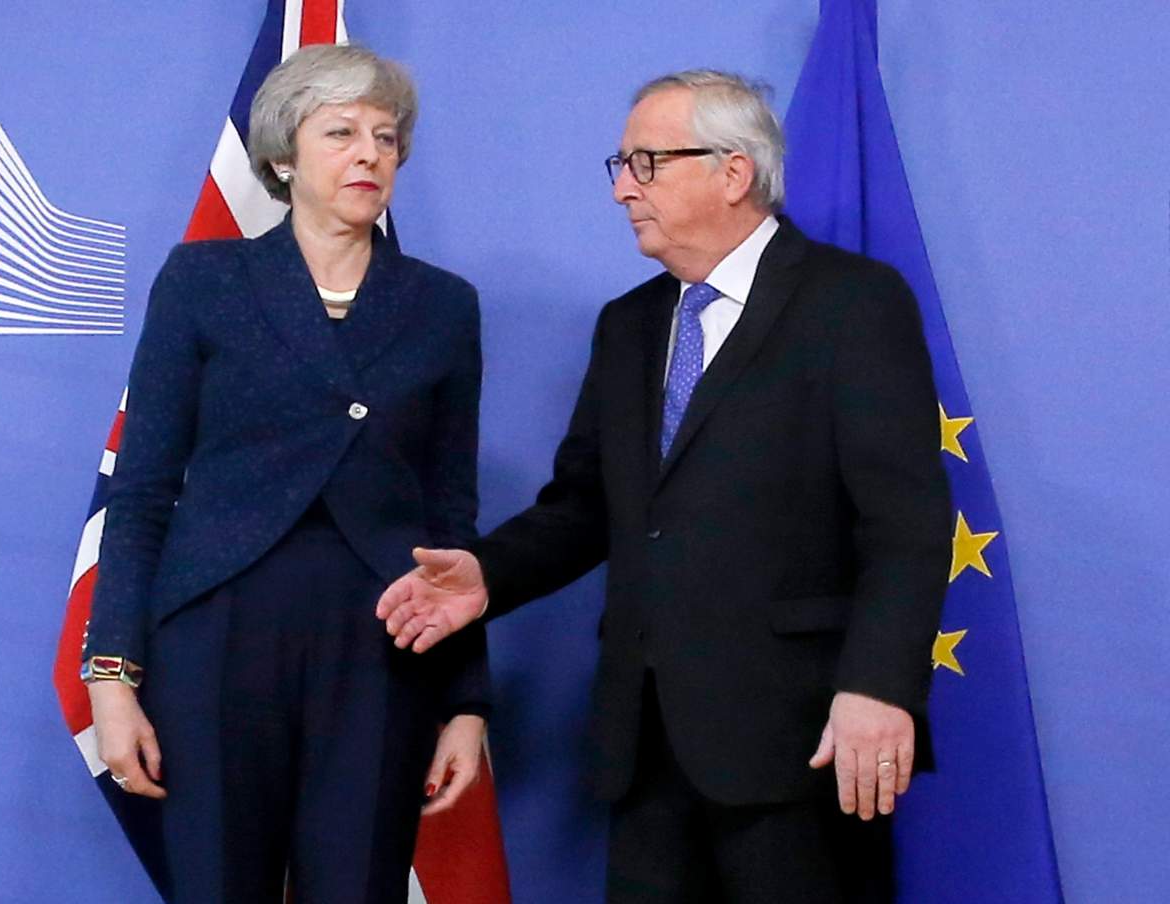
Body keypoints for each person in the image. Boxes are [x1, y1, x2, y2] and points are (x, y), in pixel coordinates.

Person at [376, 70, 952, 903]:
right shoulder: (631, 325)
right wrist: (488, 577)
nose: (621, 190)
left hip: (803, 744)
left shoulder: (852, 304)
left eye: (645, 163)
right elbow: (586, 506)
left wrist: (878, 688)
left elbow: (905, 523)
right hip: (643, 747)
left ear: (733, 172)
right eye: (621, 164)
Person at [80, 44, 489, 904]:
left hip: (384, 642)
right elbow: (143, 489)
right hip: (218, 638)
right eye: (340, 132)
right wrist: (112, 679)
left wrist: (467, 701)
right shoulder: (204, 280)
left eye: (386, 137)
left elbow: (452, 515)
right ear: (280, 157)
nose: (369, 153)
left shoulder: (443, 304)